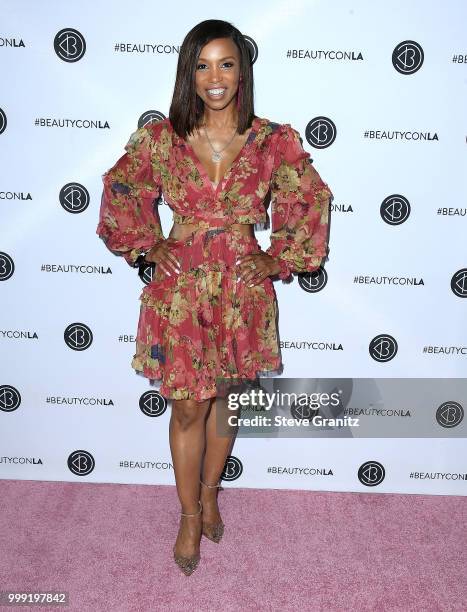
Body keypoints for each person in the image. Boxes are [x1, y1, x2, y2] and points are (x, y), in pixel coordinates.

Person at [96, 19, 333, 576]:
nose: (215, 77)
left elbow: (312, 199)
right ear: (189, 73)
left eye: (226, 63)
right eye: (202, 65)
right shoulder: (162, 138)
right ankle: (185, 515)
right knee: (186, 406)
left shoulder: (273, 140)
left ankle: (209, 495)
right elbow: (120, 189)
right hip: (180, 289)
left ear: (242, 69)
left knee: (227, 399)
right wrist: (148, 246)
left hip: (241, 291)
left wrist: (280, 258)